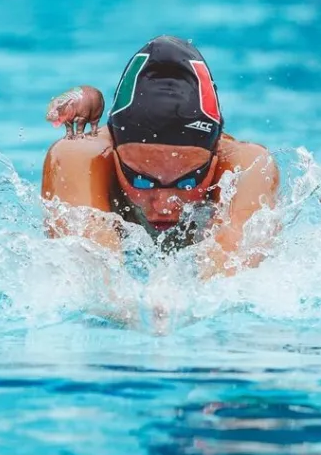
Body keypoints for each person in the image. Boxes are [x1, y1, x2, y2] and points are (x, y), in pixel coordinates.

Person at [41, 35, 279, 280]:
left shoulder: (247, 167)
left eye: (188, 182)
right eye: (142, 180)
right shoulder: (79, 157)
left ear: (215, 156)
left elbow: (232, 282)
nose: (164, 205)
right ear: (114, 152)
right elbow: (91, 280)